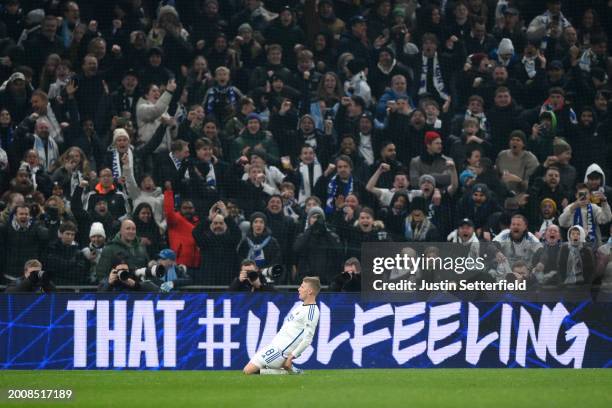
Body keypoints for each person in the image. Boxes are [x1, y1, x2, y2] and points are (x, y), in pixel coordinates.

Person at [243, 276, 321, 375]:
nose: (299, 289)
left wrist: (291, 356)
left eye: (302, 287)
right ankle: (290, 370)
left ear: (309, 291)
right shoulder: (301, 306)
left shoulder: (312, 311)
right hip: (273, 346)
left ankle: (287, 372)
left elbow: (308, 339)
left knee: (248, 371)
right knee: (249, 370)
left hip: (280, 352)